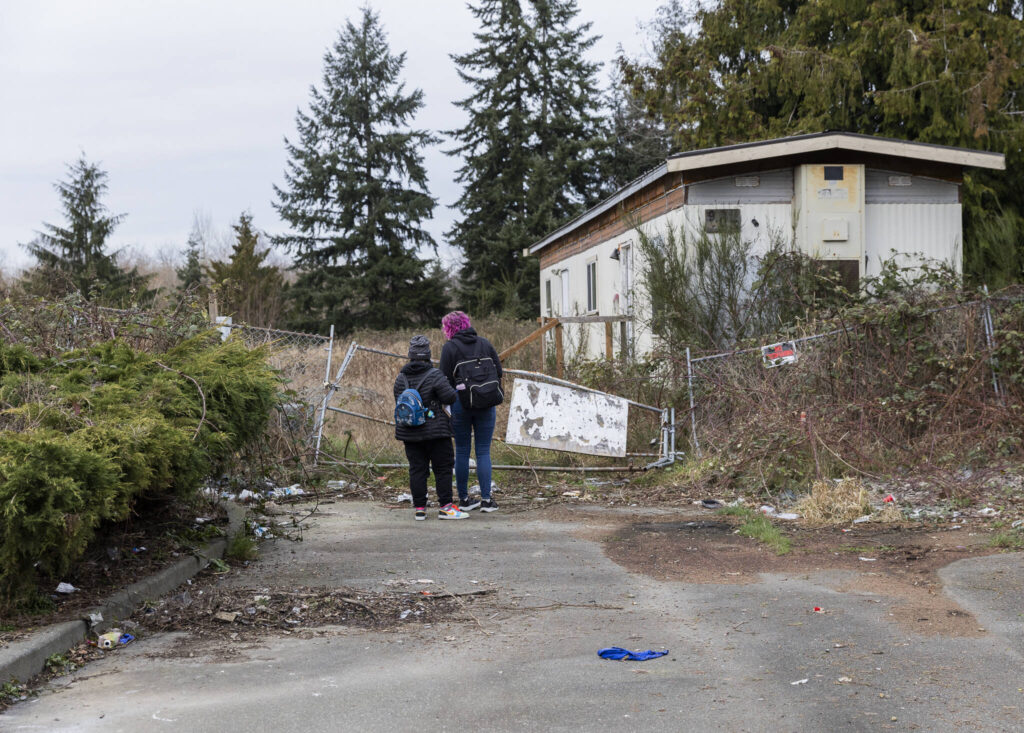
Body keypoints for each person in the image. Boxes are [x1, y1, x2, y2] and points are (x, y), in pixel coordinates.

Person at [393, 335, 468, 521]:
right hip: (436, 432)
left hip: (409, 432)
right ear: (428, 355)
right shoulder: (434, 375)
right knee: (442, 468)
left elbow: (398, 400)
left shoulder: (401, 378)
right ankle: (445, 507)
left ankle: (419, 508)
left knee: (417, 469)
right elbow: (450, 397)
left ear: (410, 355)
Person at [439, 311, 502, 512]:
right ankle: (486, 500)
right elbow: (499, 371)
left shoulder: (449, 348)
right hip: (486, 402)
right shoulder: (485, 343)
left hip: (460, 404)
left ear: (448, 328)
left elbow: (443, 379)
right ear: (467, 324)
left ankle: (464, 500)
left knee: (463, 451)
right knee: (483, 450)